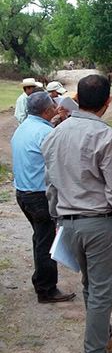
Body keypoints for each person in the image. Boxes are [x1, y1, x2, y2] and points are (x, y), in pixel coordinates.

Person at [42, 74, 112, 353]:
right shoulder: (105, 135)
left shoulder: (54, 134)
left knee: (91, 286)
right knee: (102, 293)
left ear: (78, 100)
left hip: (69, 223)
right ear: (107, 102)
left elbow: (51, 185)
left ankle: (104, 336)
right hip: (100, 223)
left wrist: (58, 220)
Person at [11, 92, 76, 304]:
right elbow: (61, 161)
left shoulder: (23, 128)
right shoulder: (44, 132)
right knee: (47, 241)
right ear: (47, 111)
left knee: (40, 237)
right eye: (53, 108)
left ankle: (40, 280)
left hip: (23, 192)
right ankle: (46, 289)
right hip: (38, 195)